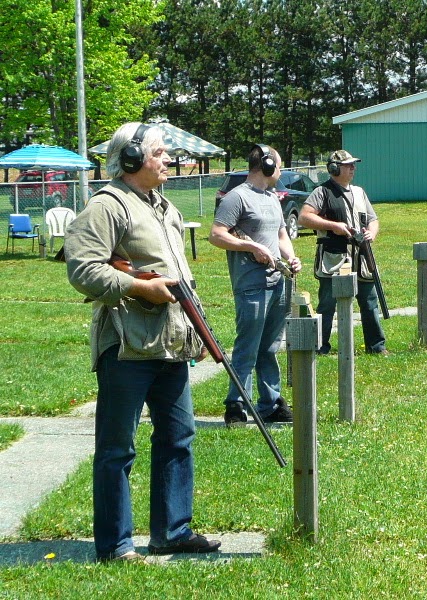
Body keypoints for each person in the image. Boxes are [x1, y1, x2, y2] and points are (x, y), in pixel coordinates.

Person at [64, 122, 221, 562]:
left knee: (179, 436)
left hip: (170, 342)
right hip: (127, 344)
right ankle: (115, 546)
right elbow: (82, 270)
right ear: (132, 159)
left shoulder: (164, 207)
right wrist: (139, 288)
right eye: (159, 153)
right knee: (118, 447)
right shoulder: (107, 205)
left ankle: (172, 532)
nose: (169, 160)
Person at [209, 144, 302, 426]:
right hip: (251, 284)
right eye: (280, 164)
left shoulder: (273, 198)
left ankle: (270, 403)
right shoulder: (236, 198)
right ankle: (236, 405)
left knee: (270, 347)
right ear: (268, 165)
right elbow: (216, 235)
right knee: (247, 346)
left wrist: (292, 256)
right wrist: (249, 246)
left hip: (278, 282)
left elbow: (281, 234)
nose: (281, 170)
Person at [298, 149, 388, 355]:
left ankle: (376, 346)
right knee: (327, 305)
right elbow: (304, 217)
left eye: (353, 165)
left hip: (362, 257)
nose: (353, 168)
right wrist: (333, 226)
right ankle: (320, 347)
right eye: (348, 165)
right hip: (334, 256)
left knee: (370, 302)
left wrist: (371, 234)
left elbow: (373, 219)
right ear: (334, 168)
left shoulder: (359, 192)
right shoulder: (321, 192)